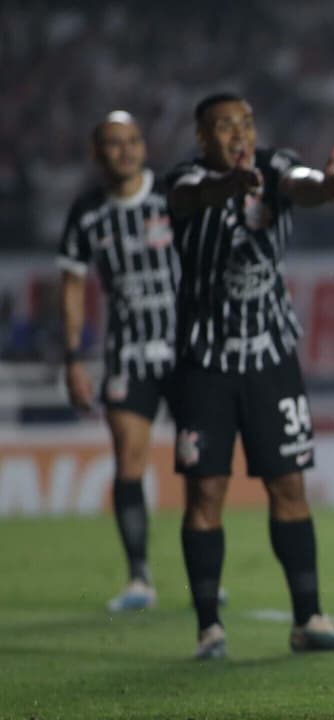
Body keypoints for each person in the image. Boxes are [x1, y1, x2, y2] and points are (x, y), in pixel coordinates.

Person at [166, 92, 334, 659]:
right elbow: (190, 197)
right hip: (205, 363)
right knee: (206, 490)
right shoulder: (183, 179)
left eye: (245, 122)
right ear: (204, 138)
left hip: (272, 358)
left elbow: (301, 180)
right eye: (224, 126)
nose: (238, 133)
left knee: (289, 486)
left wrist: (326, 186)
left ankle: (309, 620)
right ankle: (209, 629)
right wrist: (230, 186)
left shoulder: (275, 168)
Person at [57, 111, 177, 612]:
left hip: (186, 350)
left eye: (132, 141)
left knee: (201, 464)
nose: (124, 151)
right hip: (127, 353)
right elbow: (72, 286)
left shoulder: (173, 199)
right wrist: (73, 359)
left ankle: (201, 570)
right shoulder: (87, 213)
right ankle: (140, 578)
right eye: (113, 143)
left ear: (143, 146)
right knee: (129, 456)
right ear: (97, 152)